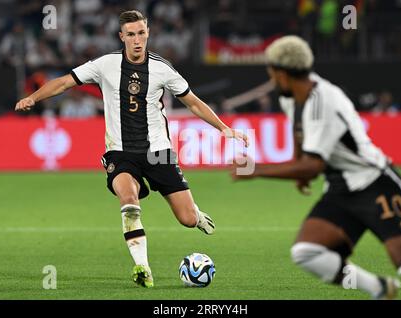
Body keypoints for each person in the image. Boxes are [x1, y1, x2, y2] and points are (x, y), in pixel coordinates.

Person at [15, 10, 248, 288]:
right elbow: (65, 82)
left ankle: (196, 214)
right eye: (131, 34)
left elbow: (193, 102)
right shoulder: (106, 64)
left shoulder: (162, 68)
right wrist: (32, 97)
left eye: (141, 33)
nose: (137, 40)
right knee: (128, 199)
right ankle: (142, 267)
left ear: (147, 33)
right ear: (121, 36)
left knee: (185, 218)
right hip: (120, 152)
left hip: (158, 151)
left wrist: (224, 129)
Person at [231, 35, 401, 299]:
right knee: (306, 253)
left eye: (272, 73)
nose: (271, 79)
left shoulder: (324, 102)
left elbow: (313, 165)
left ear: (282, 73)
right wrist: (297, 164)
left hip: (375, 183)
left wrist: (256, 170)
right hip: (341, 189)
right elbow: (299, 132)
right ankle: (379, 289)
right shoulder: (292, 97)